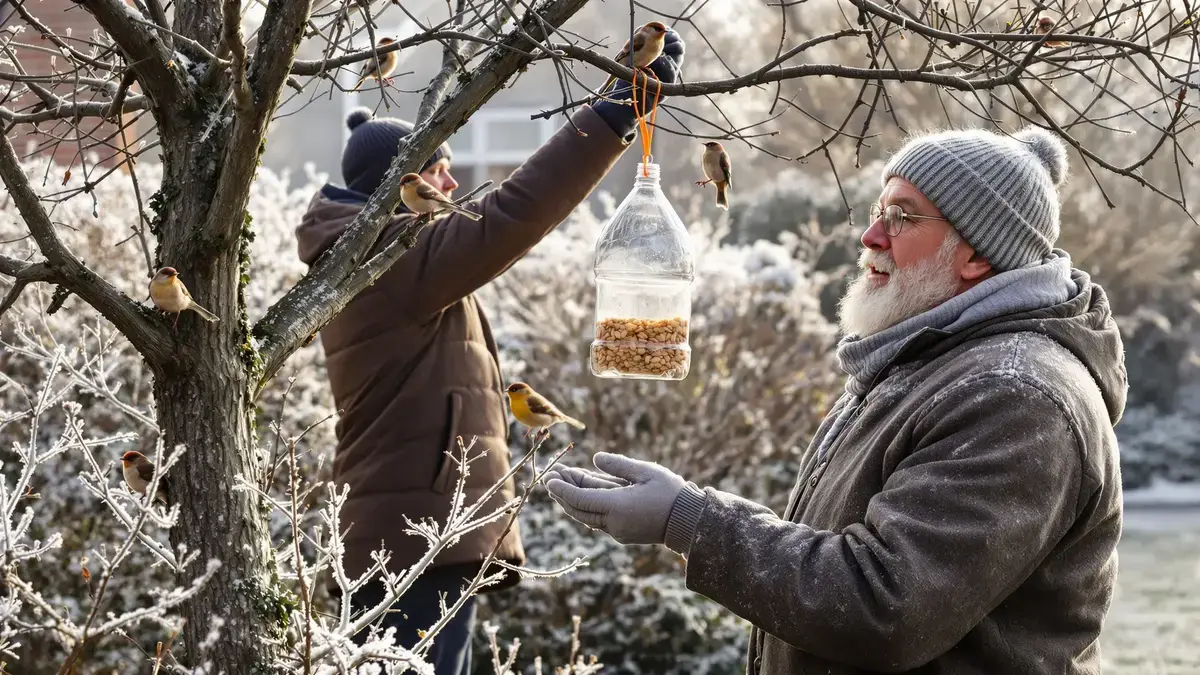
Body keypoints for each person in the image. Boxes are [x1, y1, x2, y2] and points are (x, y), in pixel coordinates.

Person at [544, 126, 1127, 674]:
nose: (871, 237)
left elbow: (884, 603)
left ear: (977, 254)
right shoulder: (926, 358)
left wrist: (689, 521)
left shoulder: (1014, 398)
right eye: (879, 210)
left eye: (902, 217)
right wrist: (691, 513)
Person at [294, 29, 686, 675]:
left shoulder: (379, 256)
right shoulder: (388, 259)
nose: (451, 180)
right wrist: (611, 114)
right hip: (414, 539)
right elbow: (510, 214)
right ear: (395, 185)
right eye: (435, 169)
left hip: (415, 536)